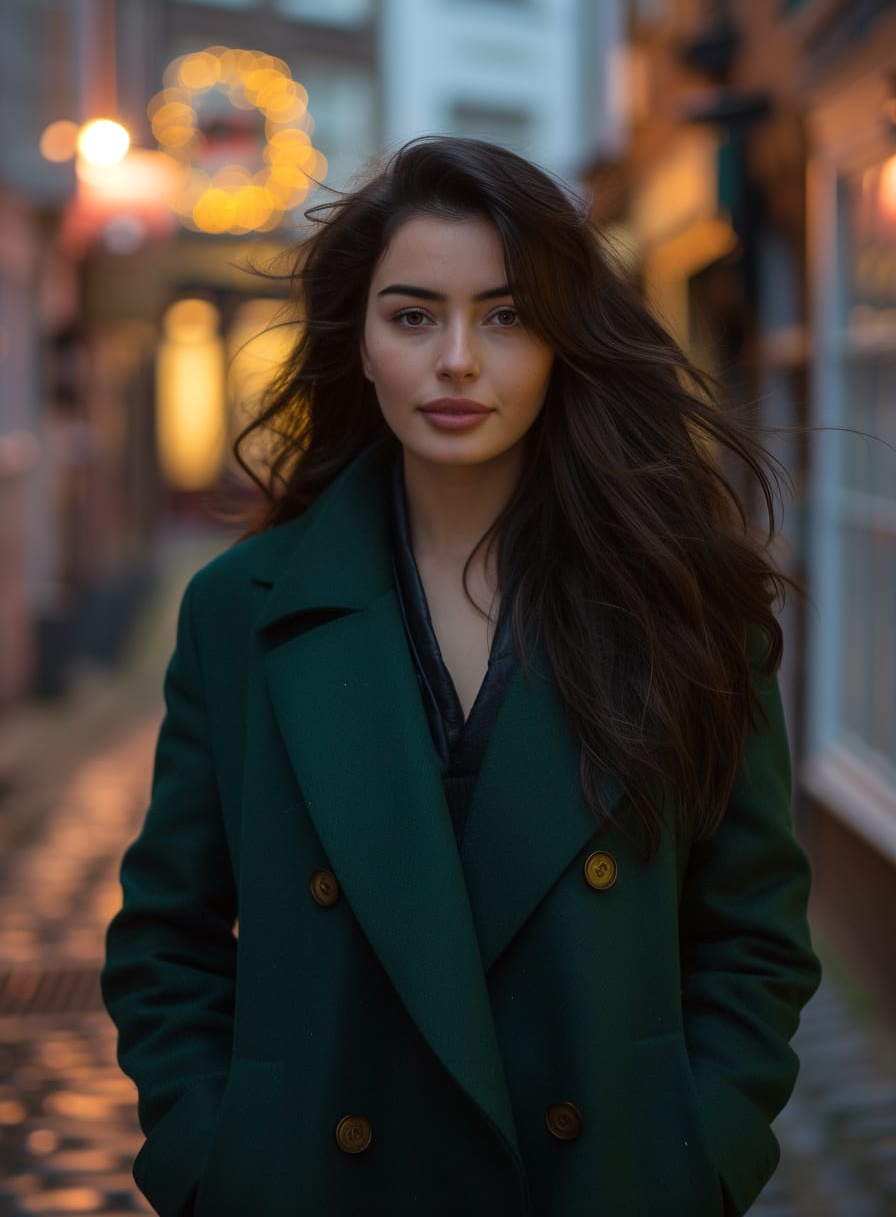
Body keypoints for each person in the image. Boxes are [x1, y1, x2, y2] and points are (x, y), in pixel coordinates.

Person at [101, 136, 821, 1217]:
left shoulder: (686, 607)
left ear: (563, 342)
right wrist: (211, 1165)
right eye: (412, 315)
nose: (455, 362)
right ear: (360, 342)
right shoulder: (240, 611)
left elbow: (752, 933)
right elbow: (168, 934)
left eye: (505, 314)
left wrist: (696, 1162)